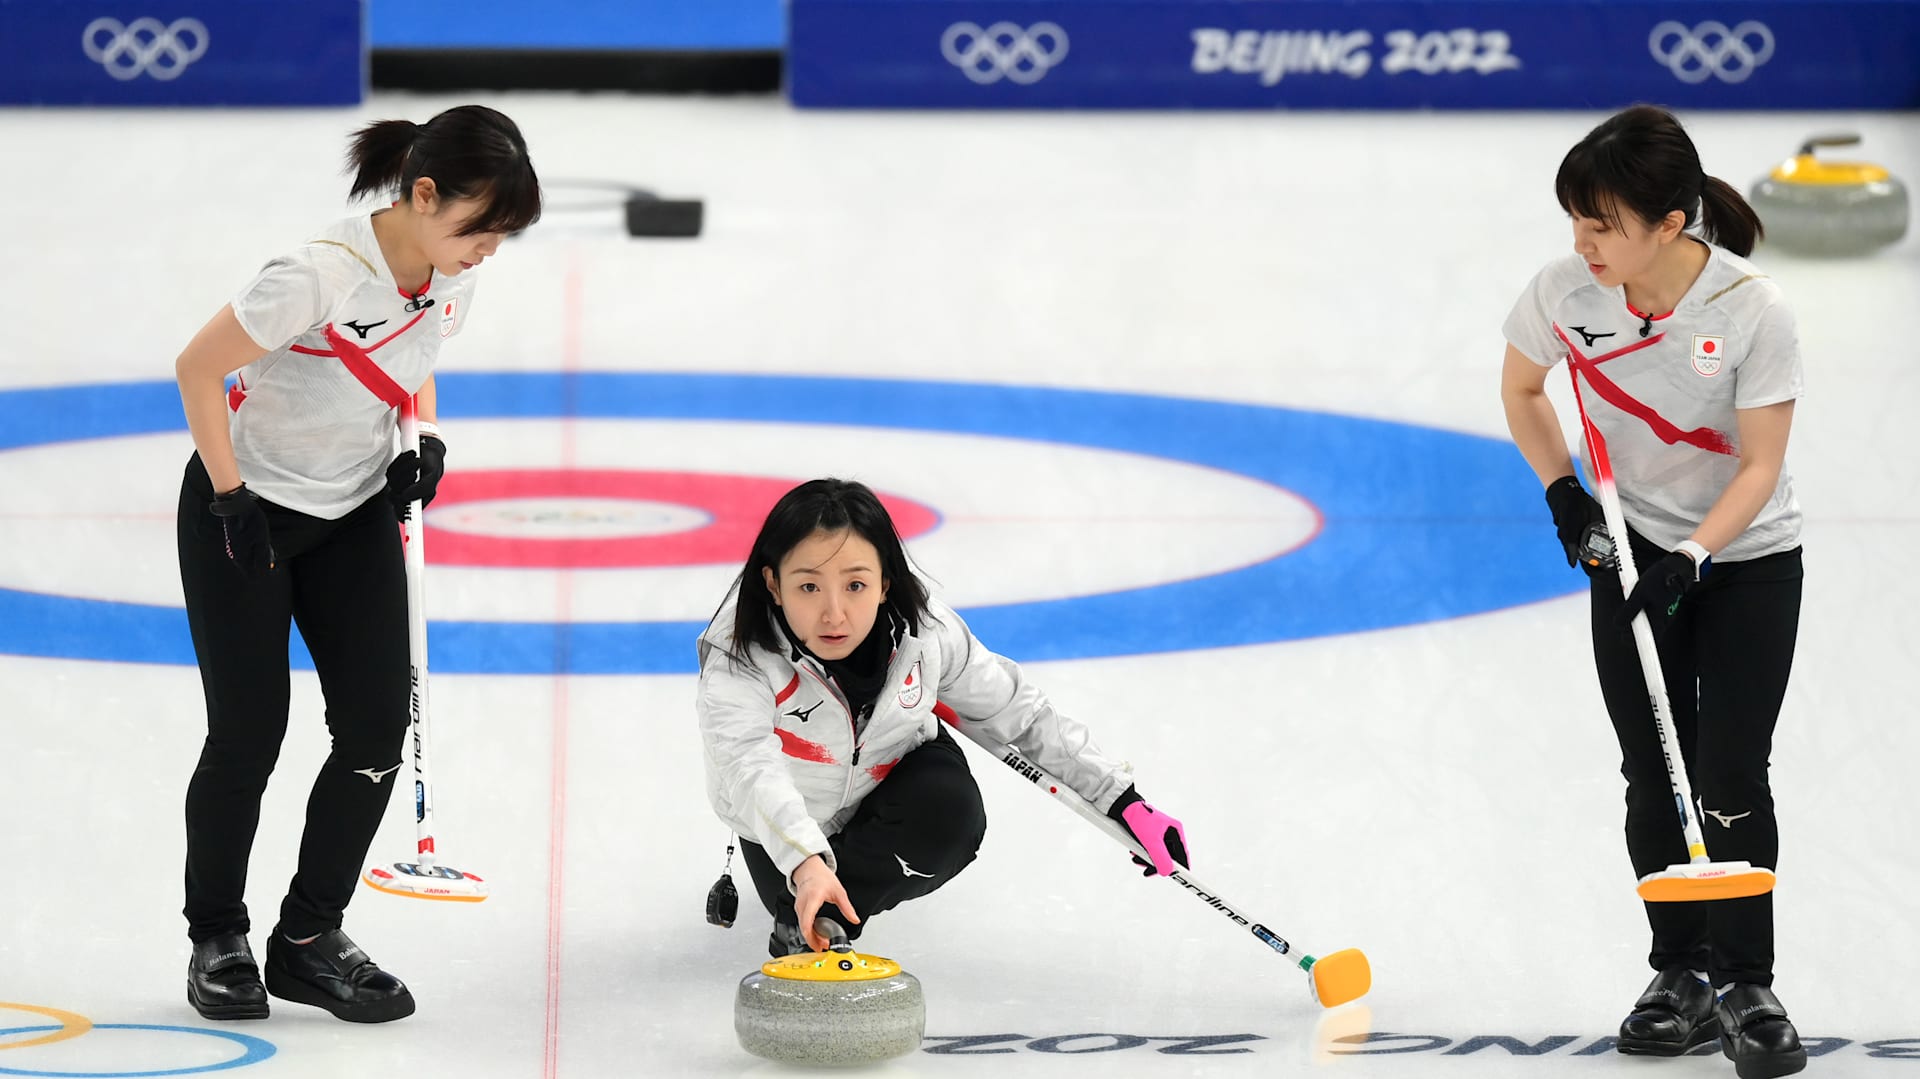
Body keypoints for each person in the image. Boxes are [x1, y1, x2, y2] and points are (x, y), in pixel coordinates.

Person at [173, 105, 540, 1023]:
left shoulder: (450, 272)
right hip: (245, 510)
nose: (486, 252)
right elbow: (196, 368)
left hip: (351, 512)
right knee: (248, 735)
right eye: (477, 229)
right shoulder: (319, 273)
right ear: (422, 195)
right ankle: (217, 932)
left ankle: (306, 937)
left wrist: (430, 433)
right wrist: (229, 496)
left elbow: (411, 353)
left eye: (501, 238)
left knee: (376, 732)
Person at [1499, 105, 1806, 1079]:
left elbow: (1760, 465)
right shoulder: (1564, 294)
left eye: (1603, 226)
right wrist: (1563, 499)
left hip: (1748, 559)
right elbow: (1522, 389)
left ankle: (1748, 980)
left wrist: (1696, 557)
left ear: (1669, 225)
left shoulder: (1751, 310)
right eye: (1576, 224)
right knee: (1650, 768)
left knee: (1728, 773)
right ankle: (1678, 972)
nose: (1582, 245)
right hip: (1630, 554)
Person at [697, 478, 1191, 956]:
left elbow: (1016, 711)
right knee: (798, 875)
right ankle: (806, 908)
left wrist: (1121, 799)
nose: (834, 614)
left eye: (855, 585)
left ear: (885, 582)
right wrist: (804, 862)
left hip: (891, 778)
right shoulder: (739, 657)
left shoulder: (926, 634)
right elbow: (751, 767)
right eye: (808, 587)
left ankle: (828, 914)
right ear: (774, 584)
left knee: (948, 813)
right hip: (790, 815)